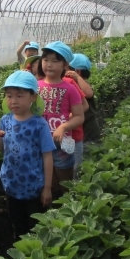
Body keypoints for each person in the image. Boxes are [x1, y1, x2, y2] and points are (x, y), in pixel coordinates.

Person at [0, 70, 55, 239]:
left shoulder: (39, 125)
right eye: (9, 96)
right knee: (17, 223)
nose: (14, 101)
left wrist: (47, 188)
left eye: (19, 96)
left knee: (34, 227)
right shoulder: (5, 120)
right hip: (11, 185)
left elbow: (47, 156)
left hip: (33, 187)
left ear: (33, 97)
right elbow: (2, 150)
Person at [37, 41, 84, 198]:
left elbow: (79, 116)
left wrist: (64, 127)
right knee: (47, 181)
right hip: (40, 142)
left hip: (63, 142)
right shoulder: (35, 87)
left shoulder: (70, 88)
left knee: (65, 181)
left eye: (55, 61)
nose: (49, 65)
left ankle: (66, 209)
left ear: (65, 65)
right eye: (46, 59)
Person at [66, 53, 100, 176]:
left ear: (77, 71)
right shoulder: (69, 85)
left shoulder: (82, 84)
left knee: (85, 165)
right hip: (77, 133)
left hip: (88, 132)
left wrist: (76, 78)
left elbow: (89, 93)